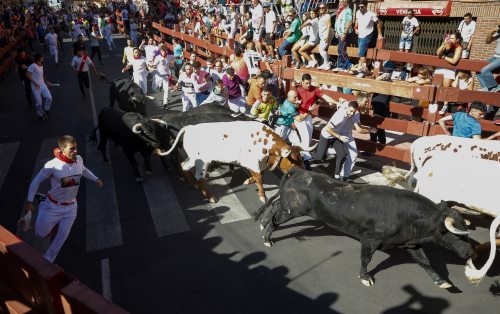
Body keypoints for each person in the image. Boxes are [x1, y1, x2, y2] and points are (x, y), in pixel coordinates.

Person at [24, 135, 103, 263]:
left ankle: (49, 258)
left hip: (71, 207)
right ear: (62, 149)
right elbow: (36, 181)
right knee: (41, 234)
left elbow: (83, 170)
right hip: (53, 206)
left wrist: (96, 179)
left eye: (76, 147)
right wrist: (29, 202)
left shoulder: (79, 159)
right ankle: (43, 201)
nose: (76, 151)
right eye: (72, 149)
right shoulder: (52, 166)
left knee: (62, 235)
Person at [311, 101, 376, 180]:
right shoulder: (341, 116)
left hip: (336, 135)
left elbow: (342, 100)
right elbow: (328, 128)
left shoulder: (349, 107)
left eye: (353, 112)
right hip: (327, 135)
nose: (351, 114)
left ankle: (338, 175)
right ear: (347, 108)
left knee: (342, 153)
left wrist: (337, 103)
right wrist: (371, 130)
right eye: (365, 102)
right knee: (319, 156)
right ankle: (306, 153)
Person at [291, 73, 337, 169]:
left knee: (308, 137)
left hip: (308, 116)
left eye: (309, 83)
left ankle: (298, 157)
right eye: (306, 83)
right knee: (306, 138)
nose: (308, 85)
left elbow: (325, 96)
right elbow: (291, 102)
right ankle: (306, 160)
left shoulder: (314, 89)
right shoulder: (297, 89)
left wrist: (335, 102)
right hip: (299, 116)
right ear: (302, 82)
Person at [354, 1, 382, 75]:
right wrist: (356, 28)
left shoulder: (371, 14)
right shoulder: (358, 12)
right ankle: (361, 68)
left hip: (367, 35)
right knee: (361, 52)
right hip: (360, 35)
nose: (360, 8)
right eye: (359, 7)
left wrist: (379, 33)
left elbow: (378, 23)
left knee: (361, 53)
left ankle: (364, 69)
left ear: (366, 6)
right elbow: (357, 20)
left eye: (362, 7)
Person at [26, 53, 54, 120]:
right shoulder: (33, 66)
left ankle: (47, 109)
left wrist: (47, 81)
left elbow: (41, 75)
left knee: (49, 97)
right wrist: (34, 83)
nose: (43, 58)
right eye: (42, 57)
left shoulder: (41, 65)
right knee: (39, 103)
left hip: (42, 85)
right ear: (40, 58)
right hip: (35, 86)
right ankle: (40, 114)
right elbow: (27, 74)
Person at [477, 25, 500, 92]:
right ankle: (485, 87)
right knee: (478, 68)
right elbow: (487, 41)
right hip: (495, 57)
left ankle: (494, 86)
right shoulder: (498, 33)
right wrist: (492, 31)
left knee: (485, 70)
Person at [333, 0, 353, 71]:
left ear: (346, 3)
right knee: (340, 50)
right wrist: (336, 31)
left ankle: (348, 65)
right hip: (340, 33)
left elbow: (349, 22)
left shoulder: (348, 10)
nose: (340, 3)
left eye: (342, 2)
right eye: (339, 2)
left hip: (345, 34)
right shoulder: (339, 10)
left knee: (341, 50)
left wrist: (344, 33)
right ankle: (341, 66)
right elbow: (337, 22)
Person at [316, 3, 333, 70]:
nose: (321, 9)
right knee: (322, 50)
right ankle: (325, 63)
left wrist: (327, 36)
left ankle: (327, 64)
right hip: (322, 35)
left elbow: (329, 25)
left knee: (322, 50)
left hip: (326, 35)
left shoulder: (327, 16)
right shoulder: (321, 16)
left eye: (323, 8)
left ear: (325, 8)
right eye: (320, 8)